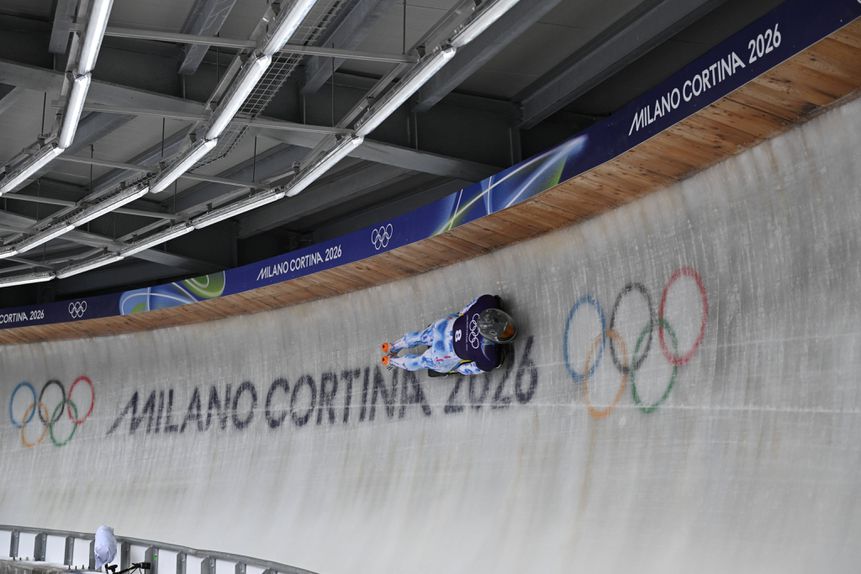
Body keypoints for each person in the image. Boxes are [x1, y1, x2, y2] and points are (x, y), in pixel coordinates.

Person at [381, 294, 516, 375]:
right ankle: (391, 361)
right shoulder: (488, 356)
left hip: (443, 327)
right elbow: (468, 369)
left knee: (421, 336)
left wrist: (458, 316)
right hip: (442, 354)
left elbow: (466, 309)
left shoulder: (486, 301)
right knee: (421, 361)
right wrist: (457, 369)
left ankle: (393, 346)